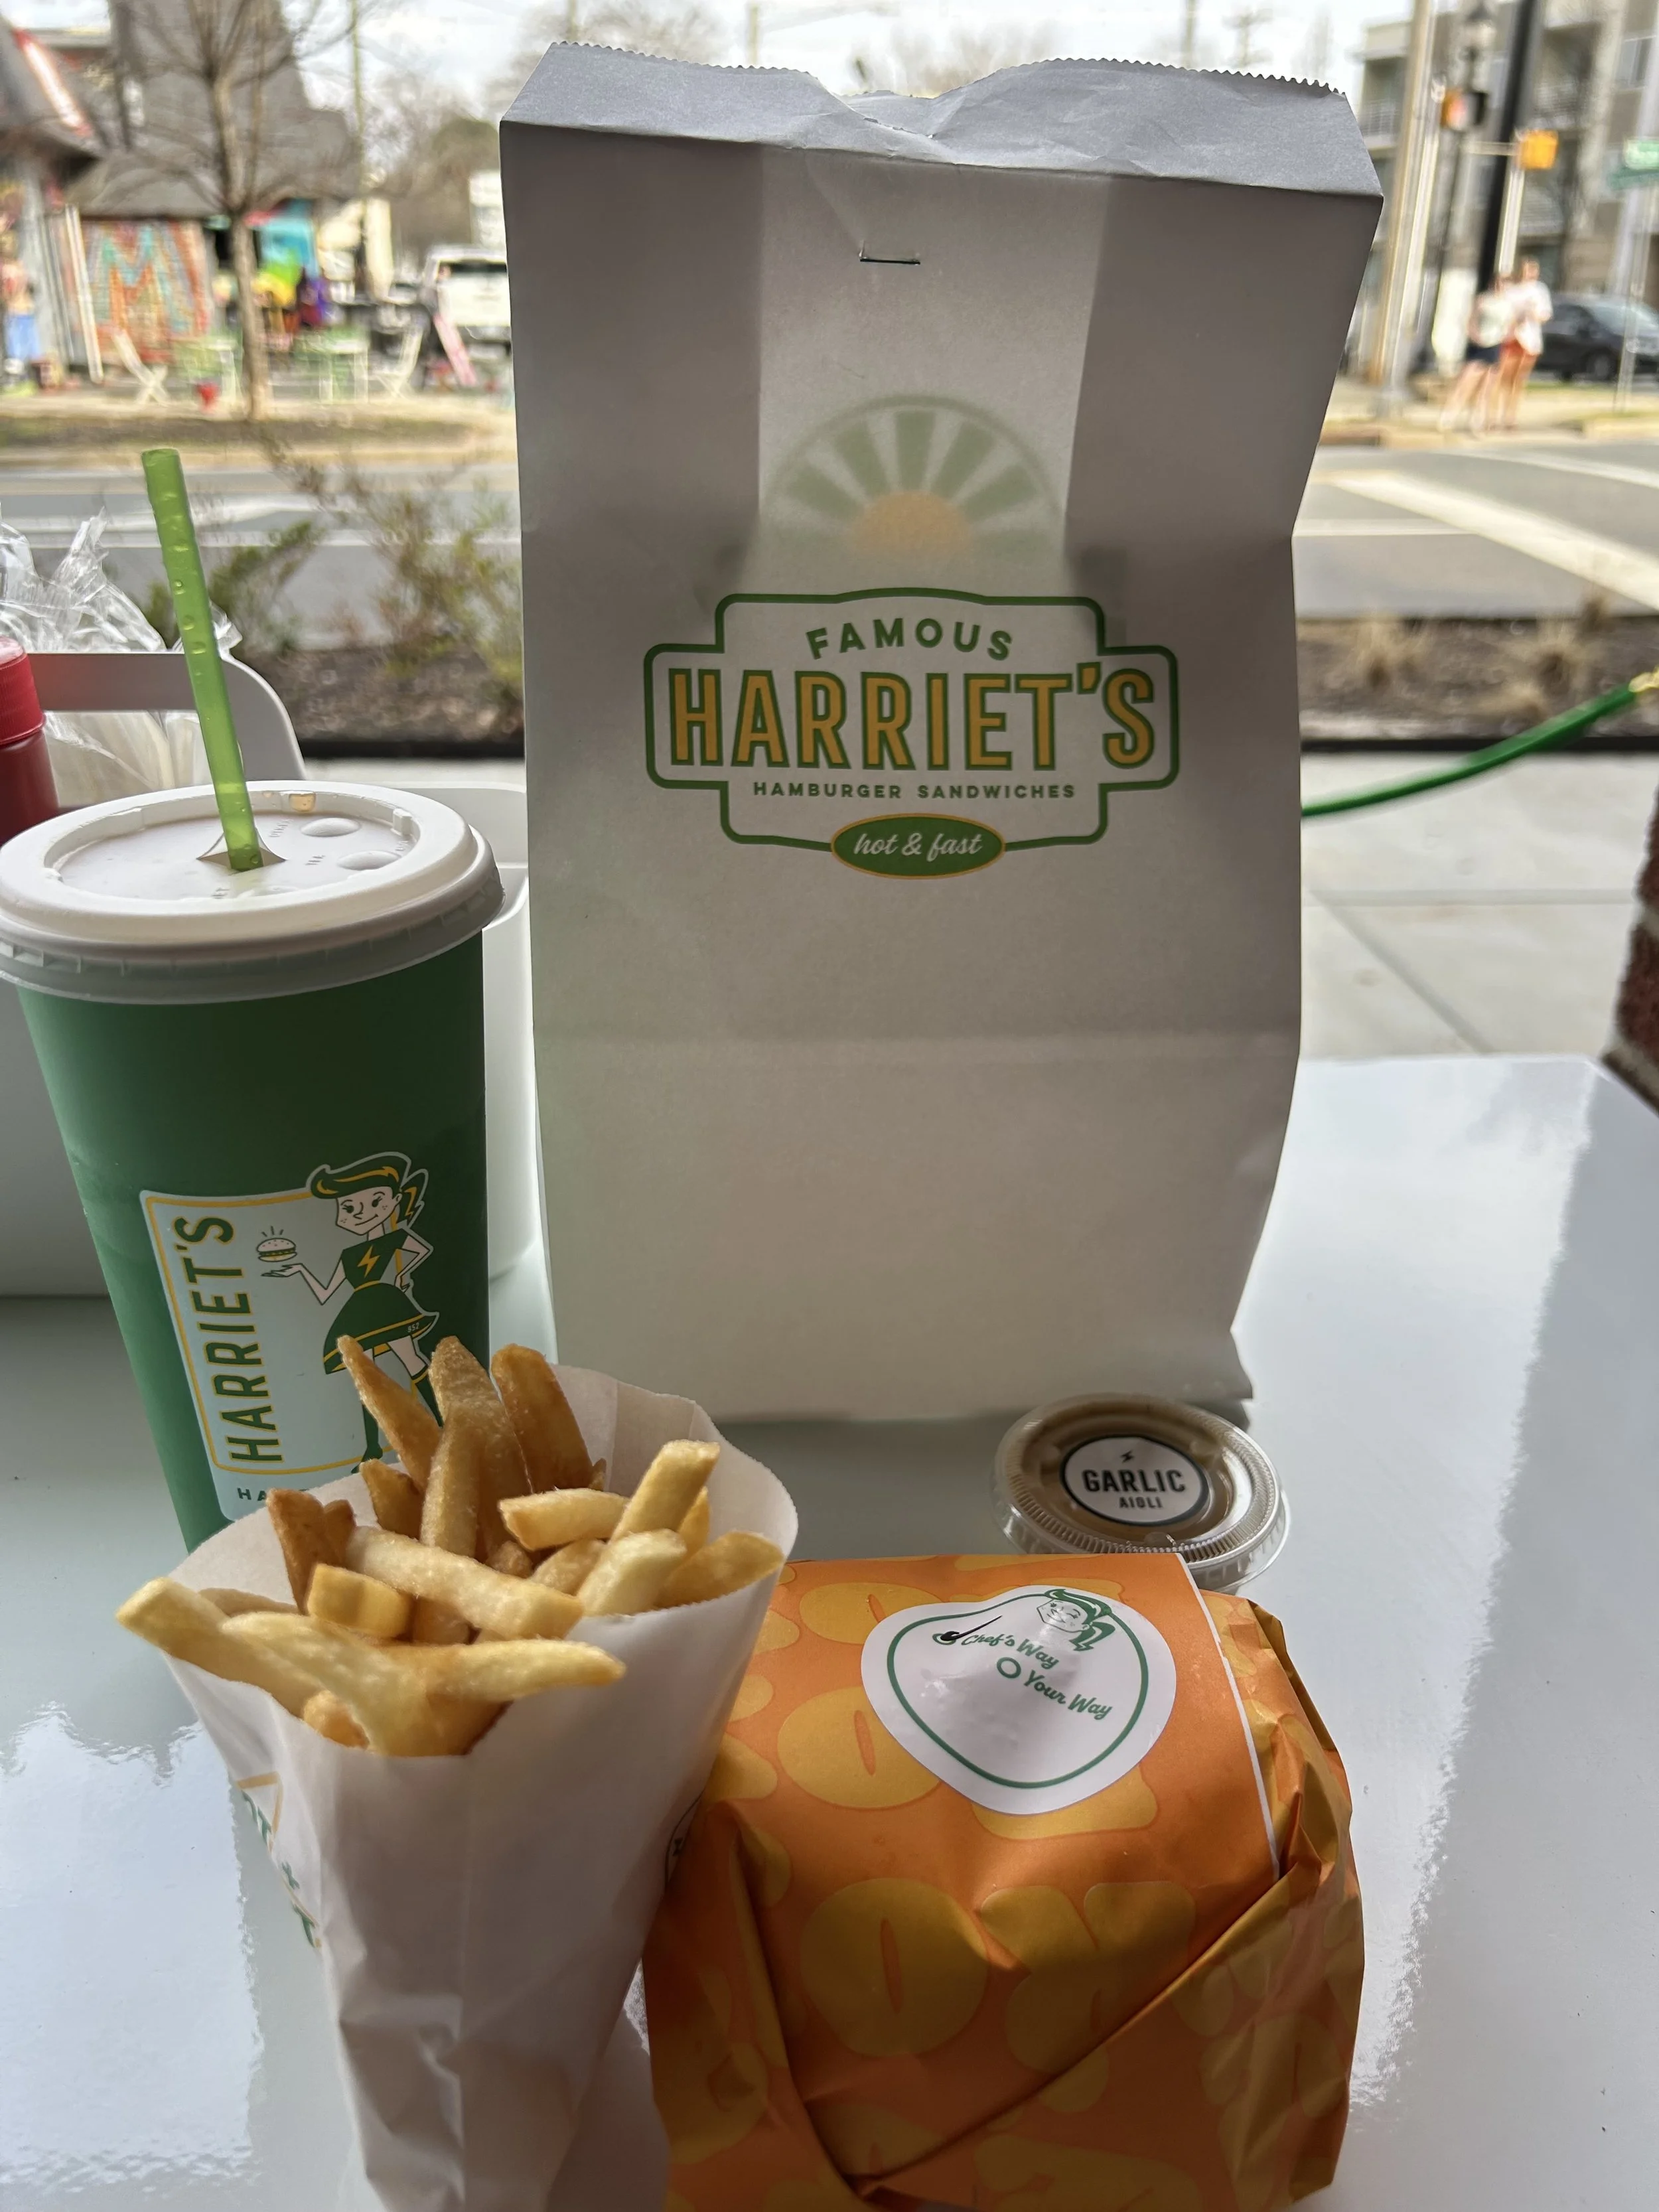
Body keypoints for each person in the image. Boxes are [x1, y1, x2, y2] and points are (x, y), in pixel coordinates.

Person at [264, 1151, 438, 1448]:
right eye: (349, 1207)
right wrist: (302, 1270)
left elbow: (422, 1251)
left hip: (388, 1304)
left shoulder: (395, 1237)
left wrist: (401, 1275)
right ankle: (372, 1446)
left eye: (375, 1202)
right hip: (358, 1312)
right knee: (366, 1377)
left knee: (411, 1360)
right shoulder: (348, 1255)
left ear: (394, 1202)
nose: (361, 1212)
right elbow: (326, 1293)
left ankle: (443, 1423)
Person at [1439, 277, 1510, 433]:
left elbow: (1508, 326)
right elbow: (1471, 320)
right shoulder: (1483, 300)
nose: (1501, 287)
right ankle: (1449, 415)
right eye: (1498, 283)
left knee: (1486, 386)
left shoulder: (1507, 304)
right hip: (1479, 343)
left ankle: (1477, 420)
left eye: (1504, 284)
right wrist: (1474, 335)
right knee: (1465, 380)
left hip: (1495, 344)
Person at [1497, 257, 1552, 427]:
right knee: (1501, 377)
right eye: (1527, 270)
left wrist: (1533, 314)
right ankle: (1494, 415)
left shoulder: (1539, 290)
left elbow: (1544, 315)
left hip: (1528, 338)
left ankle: (1510, 417)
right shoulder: (1511, 290)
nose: (1529, 274)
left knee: (1518, 380)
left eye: (1533, 270)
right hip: (1510, 337)